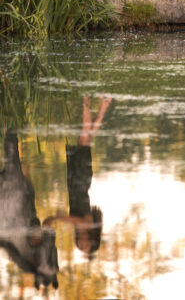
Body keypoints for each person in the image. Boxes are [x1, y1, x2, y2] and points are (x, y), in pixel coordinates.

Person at [45, 96, 112, 258]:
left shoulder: (80, 228)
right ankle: (86, 99)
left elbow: (73, 220)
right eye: (86, 245)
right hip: (81, 179)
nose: (82, 244)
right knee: (84, 135)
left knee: (87, 138)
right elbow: (76, 220)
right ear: (92, 239)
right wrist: (56, 218)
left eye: (81, 247)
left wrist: (58, 219)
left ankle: (103, 106)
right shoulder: (88, 225)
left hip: (74, 180)